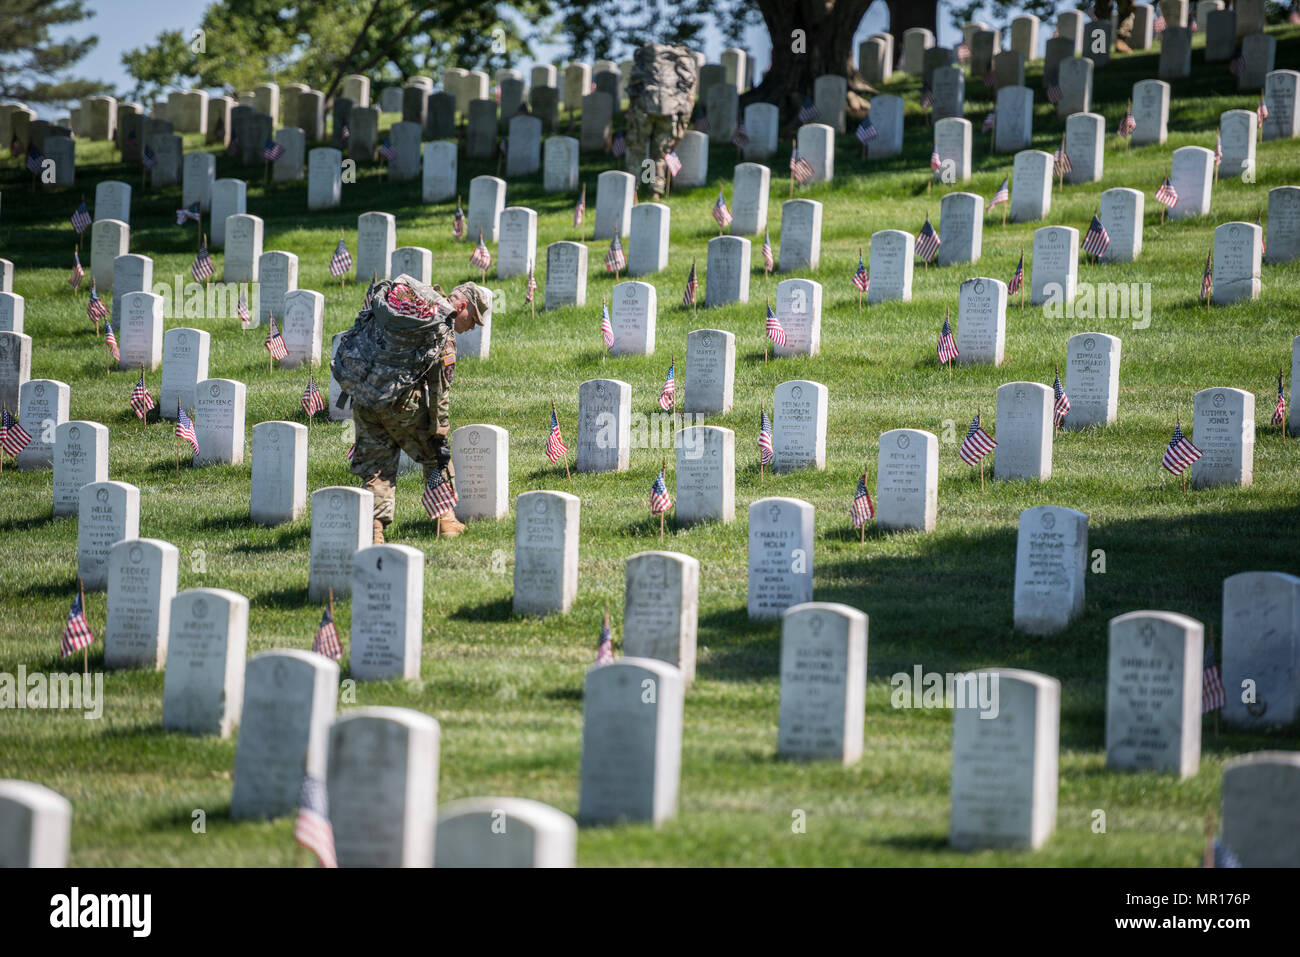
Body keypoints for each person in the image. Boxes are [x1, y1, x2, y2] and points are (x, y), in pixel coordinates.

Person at [332, 274, 492, 542]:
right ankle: (447, 520)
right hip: (400, 403)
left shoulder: (410, 306)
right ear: (462, 306)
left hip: (365, 396)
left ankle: (374, 531)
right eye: (473, 320)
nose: (472, 328)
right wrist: (440, 434)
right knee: (434, 458)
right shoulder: (441, 330)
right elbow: (439, 393)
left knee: (377, 468)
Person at [624, 42, 698, 199]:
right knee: (659, 155)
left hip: (644, 107)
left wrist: (632, 109)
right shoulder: (683, 62)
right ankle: (655, 192)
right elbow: (688, 101)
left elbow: (633, 86)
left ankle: (633, 191)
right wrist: (680, 131)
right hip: (668, 110)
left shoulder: (646, 58)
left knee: (638, 151)